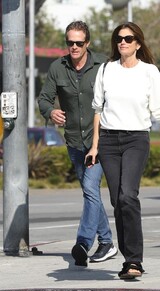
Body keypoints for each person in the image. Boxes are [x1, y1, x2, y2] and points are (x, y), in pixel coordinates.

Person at [86, 22, 160, 279]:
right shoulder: (106, 70)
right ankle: (128, 260)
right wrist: (95, 145)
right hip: (108, 141)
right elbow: (98, 110)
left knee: (128, 195)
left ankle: (134, 261)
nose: (123, 42)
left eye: (128, 38)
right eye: (119, 39)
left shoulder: (149, 72)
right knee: (118, 200)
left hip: (135, 141)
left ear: (138, 43)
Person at [38, 21, 117, 267]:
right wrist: (51, 112)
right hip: (74, 140)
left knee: (91, 189)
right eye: (70, 42)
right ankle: (107, 242)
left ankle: (83, 243)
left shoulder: (104, 65)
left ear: (88, 44)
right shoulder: (57, 68)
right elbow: (44, 98)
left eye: (79, 43)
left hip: (101, 140)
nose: (74, 47)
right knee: (89, 192)